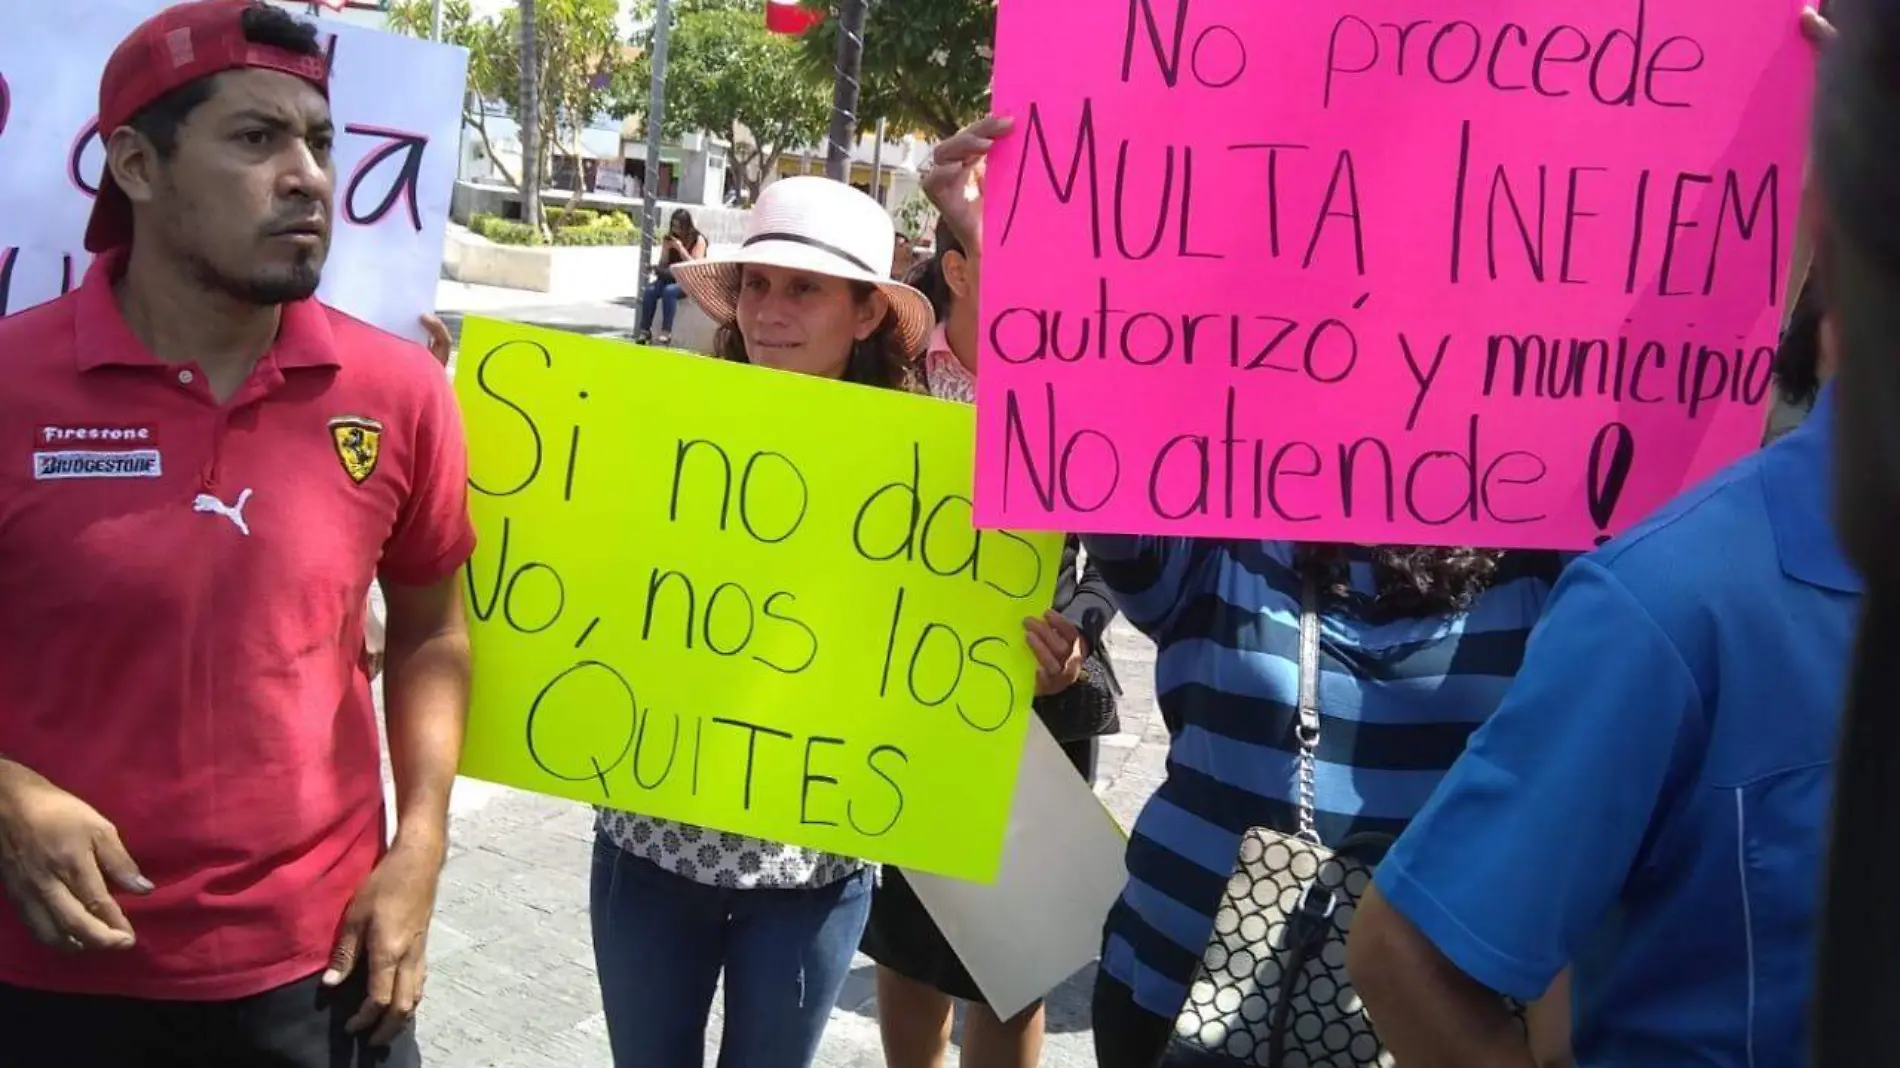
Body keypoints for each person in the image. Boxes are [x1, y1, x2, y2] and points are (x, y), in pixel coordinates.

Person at [922, 117, 1574, 1068]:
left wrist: (1836, 176)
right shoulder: (1220, 521)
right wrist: (1001, 242)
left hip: (1436, 1025)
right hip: (1176, 999)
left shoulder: (1543, 550)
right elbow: (1077, 418)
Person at [0, 4, 475, 1068]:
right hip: (45, 978)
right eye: (257, 139)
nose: (309, 175)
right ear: (136, 164)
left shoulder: (398, 392)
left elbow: (434, 630)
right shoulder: (7, 383)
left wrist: (422, 848)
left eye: (318, 140)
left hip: (325, 977)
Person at [585, 175, 931, 1068]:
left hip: (811, 864)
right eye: (757, 285)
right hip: (651, 841)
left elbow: (950, 630)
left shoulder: (930, 462)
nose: (770, 310)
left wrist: (1035, 656)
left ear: (864, 314)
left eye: (804, 287)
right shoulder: (662, 424)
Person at [864, 220, 1123, 1068]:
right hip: (914, 699)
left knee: (1012, 964)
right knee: (904, 945)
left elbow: (1123, 543)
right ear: (958, 269)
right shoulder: (891, 378)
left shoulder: (1087, 383)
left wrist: (1077, 631)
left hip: (1038, 705)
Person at [636, 208, 707, 346]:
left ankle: (666, 332)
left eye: (679, 227)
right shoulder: (670, 238)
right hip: (670, 276)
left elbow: (695, 266)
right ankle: (645, 330)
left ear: (687, 226)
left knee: (670, 291)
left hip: (689, 279)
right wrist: (666, 251)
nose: (676, 230)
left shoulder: (698, 240)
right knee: (650, 290)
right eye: (673, 226)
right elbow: (663, 263)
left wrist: (681, 249)